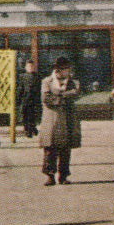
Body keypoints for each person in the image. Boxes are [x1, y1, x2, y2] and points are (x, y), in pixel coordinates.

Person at [39, 57, 82, 186]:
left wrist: (58, 95)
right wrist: (64, 96)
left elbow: (76, 93)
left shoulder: (73, 82)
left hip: (68, 119)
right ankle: (50, 175)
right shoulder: (47, 81)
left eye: (68, 69)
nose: (67, 72)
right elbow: (46, 98)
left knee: (65, 148)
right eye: (65, 69)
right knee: (50, 148)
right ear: (58, 70)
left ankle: (63, 176)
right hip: (52, 120)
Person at [16, 59, 43, 138]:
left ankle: (32, 128)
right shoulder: (22, 76)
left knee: (33, 115)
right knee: (25, 114)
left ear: (34, 67)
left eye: (32, 66)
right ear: (25, 67)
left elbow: (39, 88)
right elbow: (20, 88)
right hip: (25, 98)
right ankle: (27, 130)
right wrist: (18, 98)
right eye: (28, 66)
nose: (30, 68)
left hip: (34, 99)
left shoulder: (37, 77)